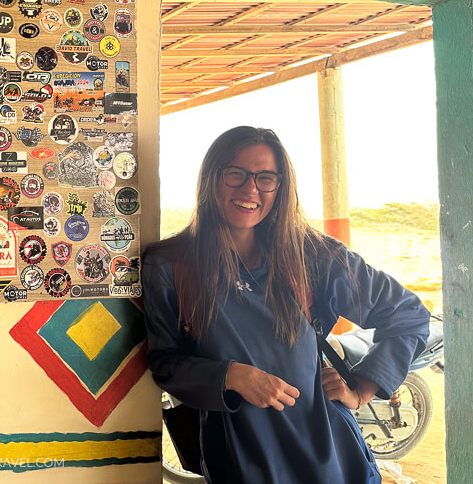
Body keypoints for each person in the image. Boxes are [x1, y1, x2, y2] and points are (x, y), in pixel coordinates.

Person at [142, 126, 429, 483]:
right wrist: (231, 375)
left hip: (331, 457)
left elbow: (408, 315)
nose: (250, 190)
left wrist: (361, 390)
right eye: (235, 174)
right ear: (211, 178)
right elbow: (166, 363)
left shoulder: (311, 255)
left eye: (266, 178)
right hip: (240, 457)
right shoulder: (171, 265)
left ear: (282, 187)